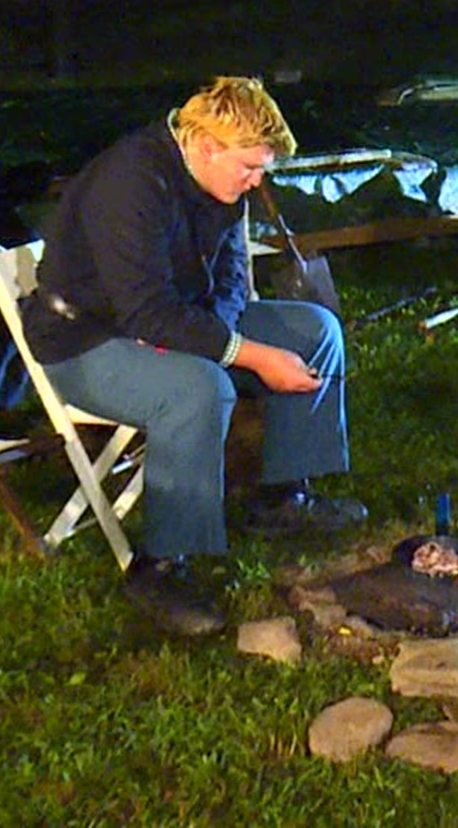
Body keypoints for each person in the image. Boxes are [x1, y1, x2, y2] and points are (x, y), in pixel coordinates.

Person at [23, 76, 364, 636]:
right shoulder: (130, 183)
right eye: (249, 168)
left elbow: (232, 275)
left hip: (175, 319)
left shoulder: (222, 185)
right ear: (206, 146)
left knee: (314, 330)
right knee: (198, 388)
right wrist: (242, 356)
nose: (256, 182)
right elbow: (145, 312)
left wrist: (223, 335)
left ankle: (284, 496)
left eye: (262, 170)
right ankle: (160, 566)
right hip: (86, 341)